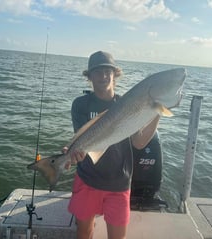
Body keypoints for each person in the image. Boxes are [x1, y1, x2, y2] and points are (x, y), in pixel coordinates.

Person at [64, 51, 160, 239]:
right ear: (89, 76)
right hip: (87, 179)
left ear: (115, 74)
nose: (103, 75)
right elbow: (82, 140)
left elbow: (139, 143)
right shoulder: (80, 104)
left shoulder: (128, 104)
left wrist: (157, 110)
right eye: (98, 71)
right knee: (84, 233)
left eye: (108, 71)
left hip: (119, 182)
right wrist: (72, 153)